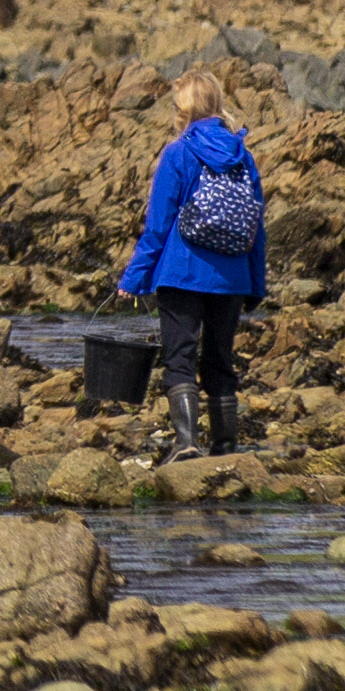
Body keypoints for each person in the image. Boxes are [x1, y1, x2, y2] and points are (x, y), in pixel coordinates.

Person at [114, 68, 266, 458]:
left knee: (180, 358)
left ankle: (186, 442)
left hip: (182, 274)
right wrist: (256, 283)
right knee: (220, 358)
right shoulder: (242, 156)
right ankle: (226, 444)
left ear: (183, 110)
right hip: (231, 277)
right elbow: (255, 225)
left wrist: (133, 278)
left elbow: (158, 225)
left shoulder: (178, 153)